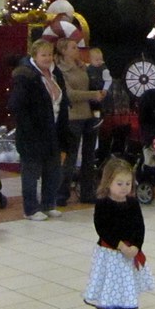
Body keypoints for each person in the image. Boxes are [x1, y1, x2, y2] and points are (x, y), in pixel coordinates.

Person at [83, 157, 155, 309]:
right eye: (119, 183)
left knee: (127, 289)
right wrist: (120, 246)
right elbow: (102, 228)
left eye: (128, 183)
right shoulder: (103, 204)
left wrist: (136, 246)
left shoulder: (132, 203)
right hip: (112, 254)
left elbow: (139, 226)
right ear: (108, 182)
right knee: (113, 293)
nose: (124, 188)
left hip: (130, 254)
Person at [9, 39, 69, 220]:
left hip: (54, 130)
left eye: (50, 54)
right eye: (43, 55)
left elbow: (62, 101)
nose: (48, 58)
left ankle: (48, 204)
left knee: (53, 170)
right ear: (34, 56)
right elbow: (16, 105)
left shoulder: (55, 74)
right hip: (33, 133)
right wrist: (29, 125)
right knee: (31, 172)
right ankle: (30, 209)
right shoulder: (26, 75)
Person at [56, 37, 105, 205]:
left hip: (89, 114)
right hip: (73, 116)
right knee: (70, 156)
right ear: (64, 51)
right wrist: (92, 95)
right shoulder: (61, 70)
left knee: (89, 155)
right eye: (73, 47)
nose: (77, 50)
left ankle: (87, 192)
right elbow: (69, 94)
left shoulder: (83, 67)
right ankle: (62, 193)